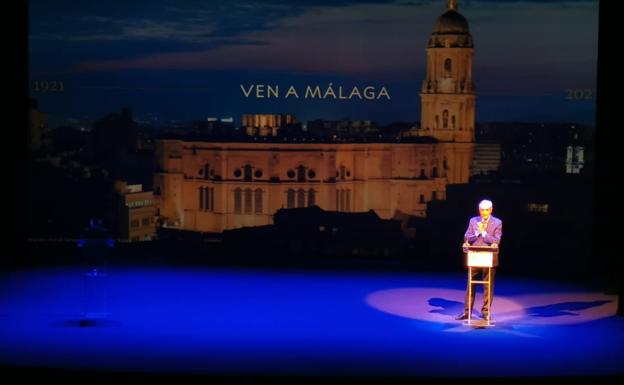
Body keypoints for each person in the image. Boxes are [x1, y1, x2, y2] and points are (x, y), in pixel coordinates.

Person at [455, 199, 502, 321]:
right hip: (474, 257)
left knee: (488, 287)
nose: (484, 213)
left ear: (491, 210)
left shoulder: (497, 223)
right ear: (479, 210)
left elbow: (496, 241)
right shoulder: (473, 221)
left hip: (489, 259)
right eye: (482, 210)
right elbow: (467, 237)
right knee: (470, 286)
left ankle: (486, 312)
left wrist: (484, 233)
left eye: (487, 210)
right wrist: (477, 233)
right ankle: (467, 312)